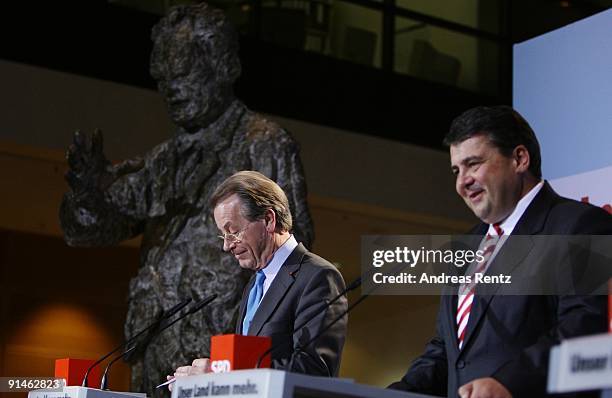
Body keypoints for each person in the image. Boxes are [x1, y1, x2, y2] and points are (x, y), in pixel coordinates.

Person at [59, 3, 313, 394]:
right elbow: (93, 229)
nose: (171, 88)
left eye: (184, 73)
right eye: (163, 77)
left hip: (223, 348)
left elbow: (294, 255)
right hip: (156, 347)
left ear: (224, 66)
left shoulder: (262, 145)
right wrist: (87, 194)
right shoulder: (164, 161)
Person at [389, 105, 612, 398]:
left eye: (473, 164)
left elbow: (583, 328)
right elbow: (447, 350)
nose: (462, 182)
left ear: (519, 159)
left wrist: (508, 383)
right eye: (457, 170)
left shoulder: (581, 225)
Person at [169, 171, 347, 382]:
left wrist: (220, 374)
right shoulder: (254, 284)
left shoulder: (318, 276)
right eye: (222, 235)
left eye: (232, 231)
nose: (226, 246)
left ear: (269, 220)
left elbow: (314, 369)